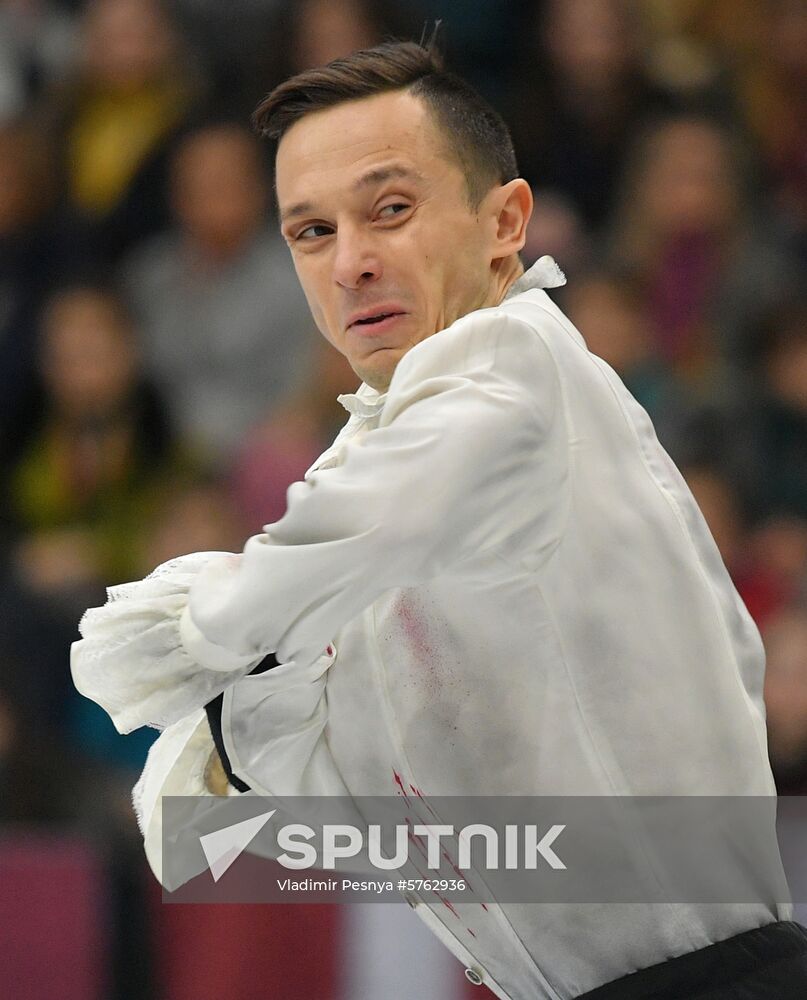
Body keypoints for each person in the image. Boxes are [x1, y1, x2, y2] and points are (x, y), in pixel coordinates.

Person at [71, 41, 807, 1000]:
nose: (352, 263)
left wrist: (200, 629)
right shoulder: (377, 479)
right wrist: (242, 714)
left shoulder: (516, 364)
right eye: (310, 232)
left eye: (390, 209)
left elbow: (318, 560)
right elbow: (308, 818)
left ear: (504, 222)